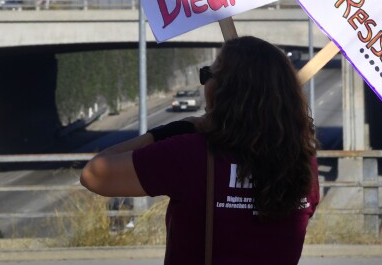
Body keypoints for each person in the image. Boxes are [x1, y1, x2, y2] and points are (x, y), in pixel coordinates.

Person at [80, 36, 319, 265]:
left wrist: (167, 131)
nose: (204, 83)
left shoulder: (191, 155)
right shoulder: (303, 163)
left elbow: (94, 175)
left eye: (207, 75)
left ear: (225, 90)